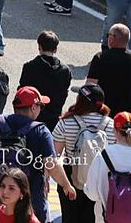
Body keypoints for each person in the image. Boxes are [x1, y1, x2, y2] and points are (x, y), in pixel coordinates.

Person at [0, 86, 76, 221]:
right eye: (40, 106)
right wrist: (66, 185)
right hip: (30, 205)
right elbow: (52, 165)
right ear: (33, 107)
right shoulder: (40, 131)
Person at [53, 85, 113, 223]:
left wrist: (56, 181)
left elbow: (54, 157)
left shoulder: (66, 122)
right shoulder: (111, 125)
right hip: (99, 181)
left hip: (71, 179)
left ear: (80, 100)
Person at [86, 23, 131, 118]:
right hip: (127, 117)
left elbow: (90, 87)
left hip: (102, 113)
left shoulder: (100, 58)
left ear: (112, 38)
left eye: (108, 35)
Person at [18, 30, 72, 130]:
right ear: (55, 49)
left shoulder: (30, 67)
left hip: (31, 117)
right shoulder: (65, 70)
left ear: (40, 47)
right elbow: (64, 94)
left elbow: (22, 92)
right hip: (54, 118)